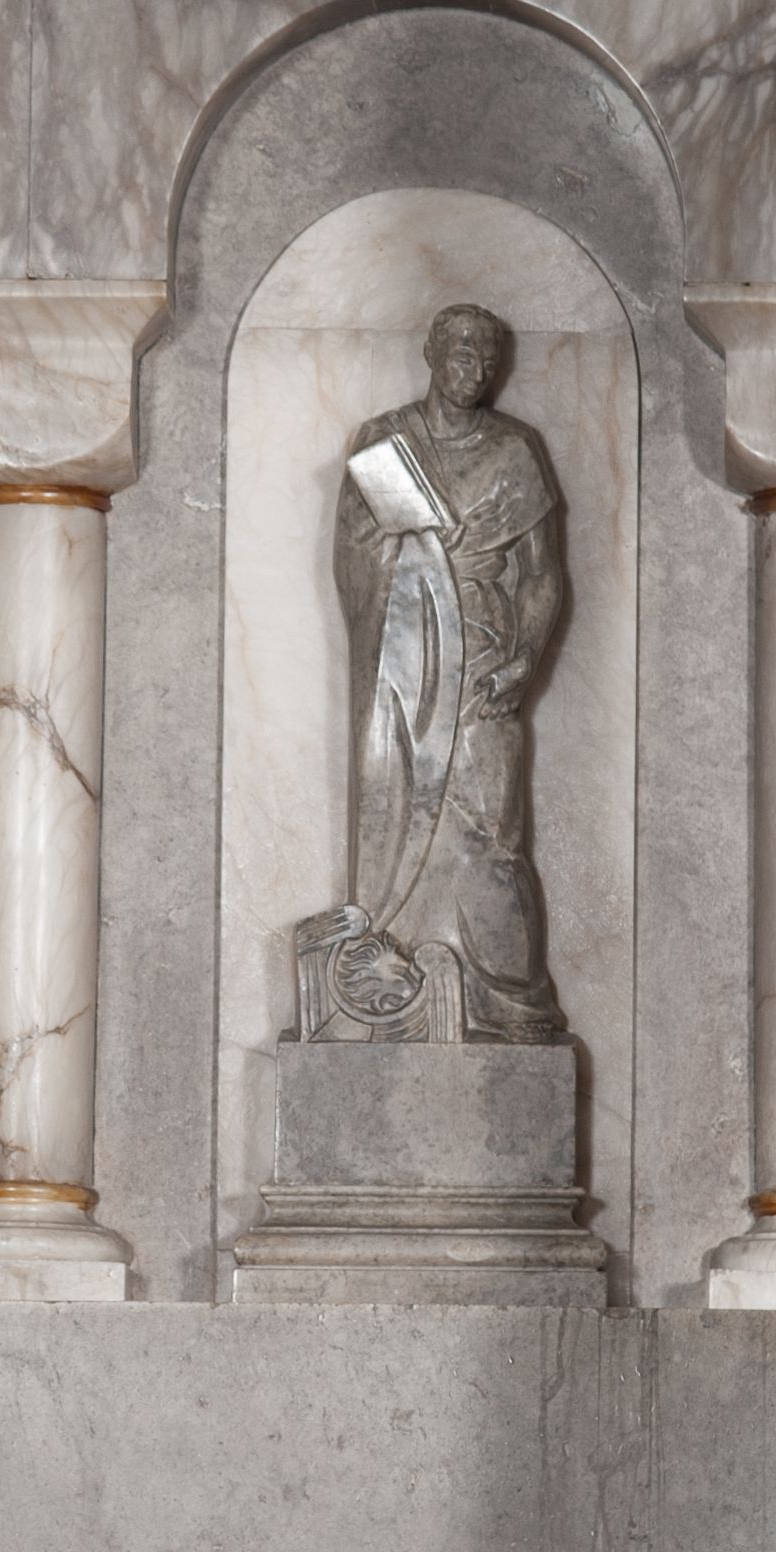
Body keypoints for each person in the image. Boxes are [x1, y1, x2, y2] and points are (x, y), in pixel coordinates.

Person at [331, 301, 567, 1041]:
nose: (475, 367)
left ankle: (509, 1001)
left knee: (494, 834)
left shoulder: (515, 452)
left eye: (487, 357)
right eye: (462, 351)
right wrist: (411, 577)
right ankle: (391, 998)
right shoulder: (385, 444)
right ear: (431, 354)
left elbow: (543, 576)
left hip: (485, 670)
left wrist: (525, 659)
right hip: (403, 670)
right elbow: (352, 556)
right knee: (397, 816)